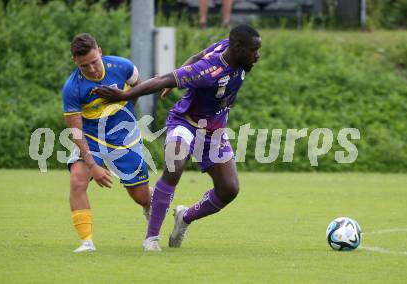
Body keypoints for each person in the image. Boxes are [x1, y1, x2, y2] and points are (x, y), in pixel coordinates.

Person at [93, 24, 261, 251]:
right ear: (238, 47)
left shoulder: (226, 46)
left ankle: (184, 216)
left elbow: (195, 56)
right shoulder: (208, 70)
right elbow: (163, 79)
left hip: (214, 131)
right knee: (175, 165)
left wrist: (179, 76)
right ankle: (151, 238)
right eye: (253, 50)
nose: (257, 56)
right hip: (186, 122)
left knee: (229, 189)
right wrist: (126, 94)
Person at [62, 33, 152, 253]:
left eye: (94, 61)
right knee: (77, 179)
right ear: (75, 61)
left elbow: (139, 86)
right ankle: (86, 242)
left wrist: (123, 100)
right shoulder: (72, 87)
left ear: (100, 51)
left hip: (125, 138)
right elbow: (76, 130)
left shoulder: (122, 66)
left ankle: (164, 206)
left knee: (141, 197)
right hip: (92, 139)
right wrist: (93, 165)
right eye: (84, 65)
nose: (92, 69)